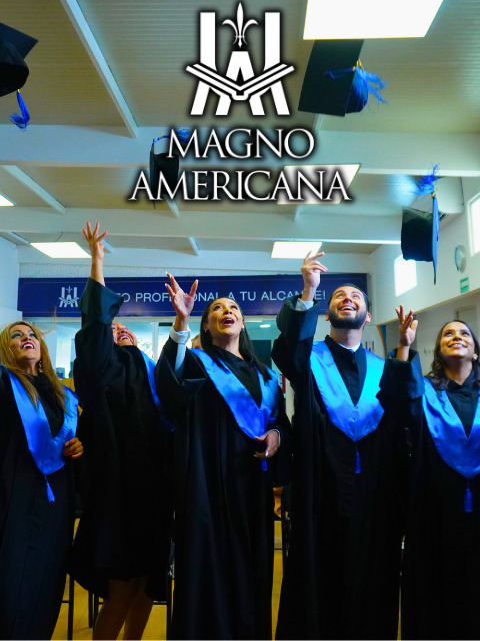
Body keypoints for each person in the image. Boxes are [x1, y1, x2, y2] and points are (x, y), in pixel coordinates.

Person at [274, 253, 407, 641]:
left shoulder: (384, 369)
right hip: (321, 487)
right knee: (321, 574)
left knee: (373, 573)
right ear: (326, 313)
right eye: (338, 296)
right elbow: (287, 350)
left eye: (356, 296)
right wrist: (309, 290)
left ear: (367, 316)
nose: (347, 299)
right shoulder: (309, 360)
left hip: (374, 492)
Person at [156, 274, 292, 640]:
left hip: (253, 487)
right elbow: (168, 384)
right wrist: (181, 321)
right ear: (207, 325)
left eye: (233, 308)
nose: (226, 311)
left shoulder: (267, 376)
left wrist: (277, 435)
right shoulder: (196, 363)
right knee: (209, 572)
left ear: (243, 323)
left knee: (253, 570)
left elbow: (280, 422)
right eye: (216, 309)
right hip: (207, 486)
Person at [70, 223, 173, 641]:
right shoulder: (101, 372)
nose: (121, 330)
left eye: (126, 329)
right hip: (117, 493)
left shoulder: (152, 373)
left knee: (149, 583)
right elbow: (96, 324)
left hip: (155, 492)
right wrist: (97, 262)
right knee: (122, 588)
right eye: (114, 331)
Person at [379, 308, 480, 640]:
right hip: (435, 507)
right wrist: (404, 345)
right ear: (438, 350)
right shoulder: (424, 393)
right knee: (438, 586)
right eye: (448, 334)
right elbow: (395, 402)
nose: (456, 337)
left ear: (475, 351)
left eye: (464, 333)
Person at [0, 320, 82, 640]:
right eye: (16, 336)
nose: (27, 338)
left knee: (46, 581)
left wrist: (78, 446)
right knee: (11, 582)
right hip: (13, 492)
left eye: (32, 334)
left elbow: (67, 439)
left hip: (55, 498)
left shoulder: (63, 395)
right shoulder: (4, 383)